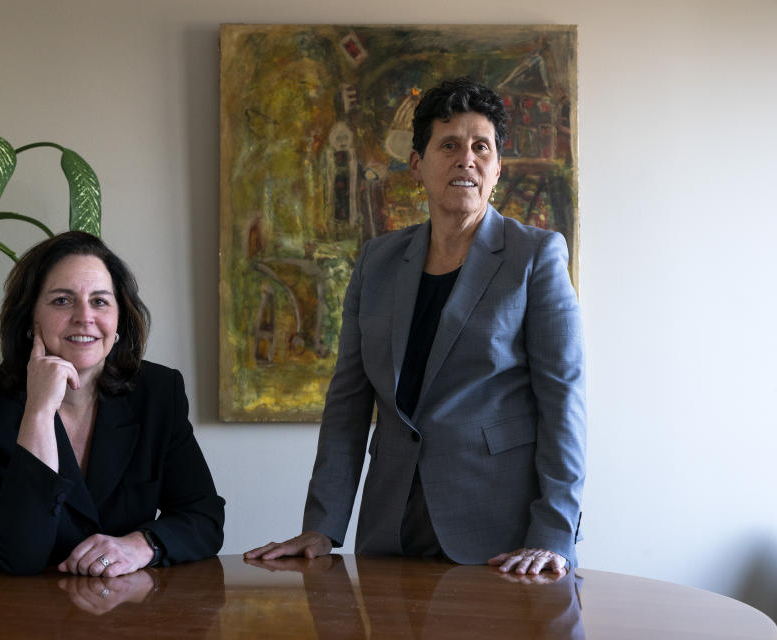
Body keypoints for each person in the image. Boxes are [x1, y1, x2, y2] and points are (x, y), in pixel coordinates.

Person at [246, 77, 586, 575]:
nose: (465, 159)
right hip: (390, 525)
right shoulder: (377, 260)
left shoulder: (536, 256)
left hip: (502, 535)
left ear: (497, 169)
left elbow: (563, 399)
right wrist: (323, 524)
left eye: (480, 147)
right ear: (417, 165)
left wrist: (554, 534)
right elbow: (348, 399)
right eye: (448, 145)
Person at [0, 231, 224, 585]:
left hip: (110, 608)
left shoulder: (159, 393)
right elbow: (19, 555)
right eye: (62, 301)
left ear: (119, 322)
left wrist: (143, 544)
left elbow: (204, 517)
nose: (85, 317)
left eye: (100, 302)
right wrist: (38, 411)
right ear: (28, 319)